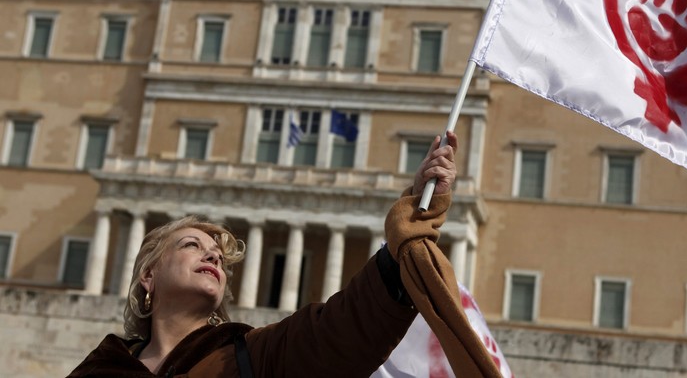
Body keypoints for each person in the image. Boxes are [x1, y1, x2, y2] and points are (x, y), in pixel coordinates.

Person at [68, 132, 459, 378]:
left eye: (219, 257)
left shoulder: (253, 355)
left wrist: (411, 219)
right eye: (191, 245)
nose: (213, 257)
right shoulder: (100, 368)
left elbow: (343, 330)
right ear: (148, 277)